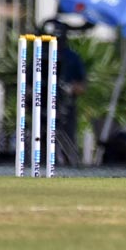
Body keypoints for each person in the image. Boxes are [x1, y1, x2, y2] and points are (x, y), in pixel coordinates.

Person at [41, 19, 87, 165]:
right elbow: (30, 80)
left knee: (67, 137)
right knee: (42, 137)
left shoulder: (72, 58)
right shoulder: (41, 56)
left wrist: (69, 88)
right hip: (42, 104)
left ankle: (70, 166)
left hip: (65, 106)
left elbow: (82, 85)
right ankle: (41, 163)